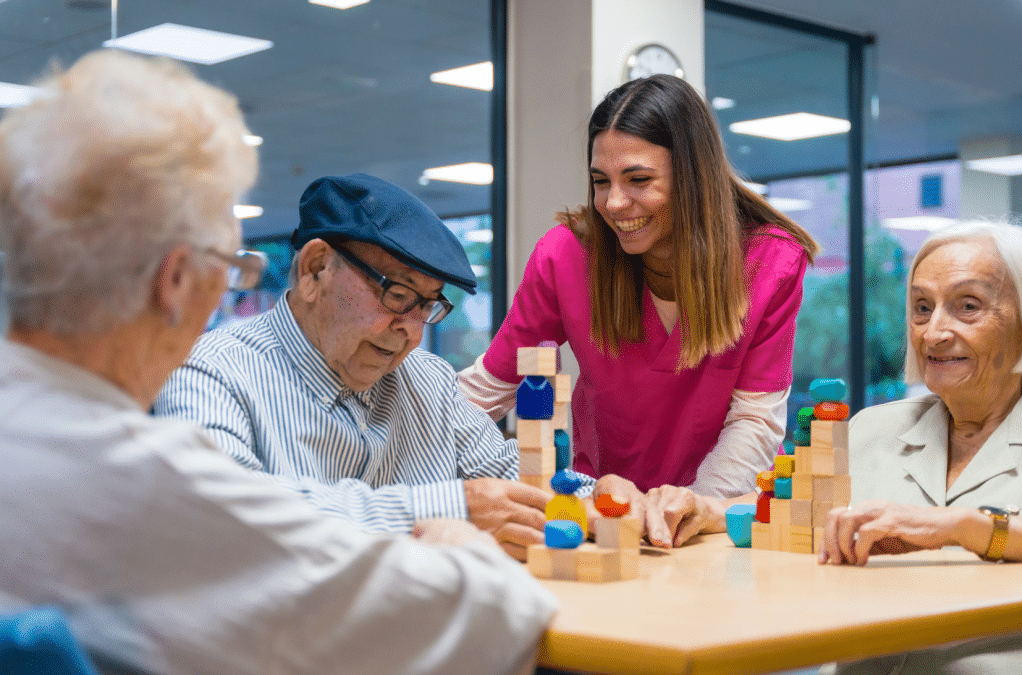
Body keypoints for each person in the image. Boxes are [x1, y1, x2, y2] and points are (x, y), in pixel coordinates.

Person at [0, 49, 555, 675]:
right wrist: (457, 538)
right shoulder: (149, 481)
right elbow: (486, 623)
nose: (406, 327)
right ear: (177, 279)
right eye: (233, 268)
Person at [458, 74, 818, 546]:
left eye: (639, 180)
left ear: (692, 177)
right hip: (607, 517)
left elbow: (754, 419)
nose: (614, 203)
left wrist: (693, 508)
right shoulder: (567, 256)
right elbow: (487, 391)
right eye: (600, 181)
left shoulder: (770, 260)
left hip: (711, 520)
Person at [154, 172, 550, 561]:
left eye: (428, 305)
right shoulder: (209, 373)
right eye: (397, 294)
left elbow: (514, 476)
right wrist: (449, 507)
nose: (411, 332)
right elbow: (225, 516)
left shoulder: (428, 381)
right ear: (315, 269)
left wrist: (596, 496)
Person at [819, 220, 1022, 674]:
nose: (933, 332)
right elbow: (787, 505)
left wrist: (963, 527)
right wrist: (708, 510)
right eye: (922, 307)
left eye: (968, 306)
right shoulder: (871, 428)